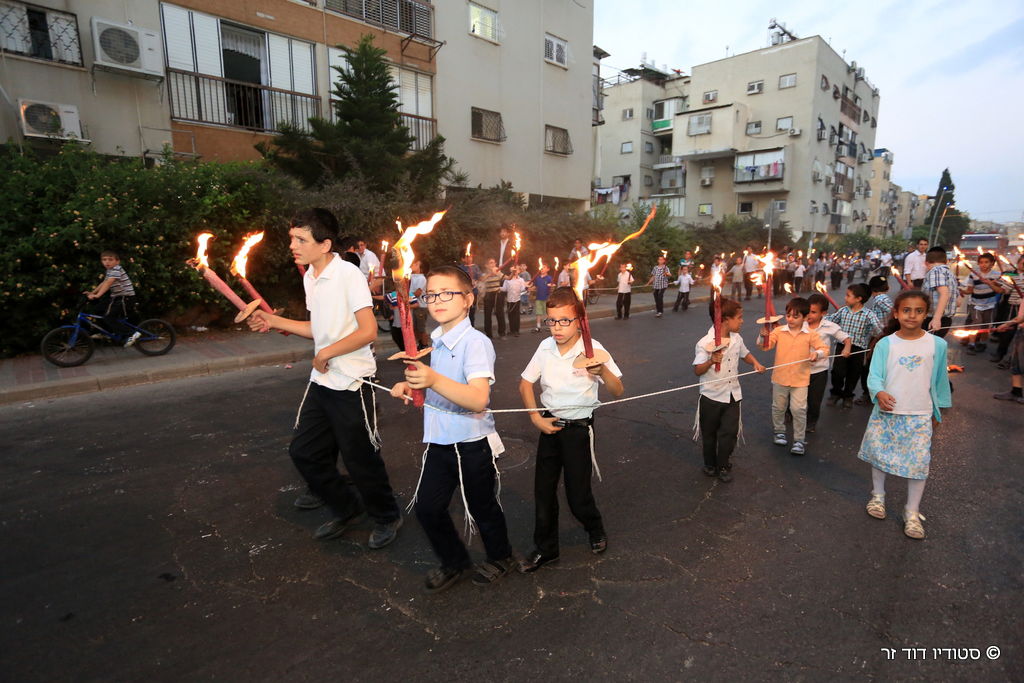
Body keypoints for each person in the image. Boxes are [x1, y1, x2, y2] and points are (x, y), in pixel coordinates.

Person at [246, 208, 402, 548]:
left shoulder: (348, 275)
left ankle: (386, 515)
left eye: (301, 239)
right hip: (323, 382)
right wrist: (273, 321)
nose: (293, 245)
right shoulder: (310, 278)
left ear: (325, 243)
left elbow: (368, 331)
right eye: (292, 238)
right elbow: (315, 329)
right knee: (304, 452)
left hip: (352, 381)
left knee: (360, 459)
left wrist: (327, 352)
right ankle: (346, 508)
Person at [389, 266, 515, 592]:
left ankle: (501, 557)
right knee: (428, 508)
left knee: (482, 507)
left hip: (471, 442)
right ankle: (454, 560)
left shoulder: (476, 343)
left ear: (468, 299)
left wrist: (432, 379)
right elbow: (443, 387)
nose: (438, 299)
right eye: (431, 294)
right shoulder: (438, 339)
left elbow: (477, 398)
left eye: (448, 293)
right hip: (440, 442)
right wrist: (412, 385)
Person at [518, 287, 624, 571]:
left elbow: (618, 389)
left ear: (580, 320)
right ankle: (546, 548)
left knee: (578, 496)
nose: (557, 328)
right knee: (543, 492)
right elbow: (525, 383)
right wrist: (535, 418)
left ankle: (595, 527)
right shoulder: (545, 348)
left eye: (565, 320)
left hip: (578, 430)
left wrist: (603, 371)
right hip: (549, 425)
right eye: (552, 320)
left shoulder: (594, 349)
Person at [858, 290, 952, 539]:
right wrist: (878, 393)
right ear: (897, 313)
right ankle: (877, 497)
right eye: (907, 310)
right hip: (888, 412)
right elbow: (874, 375)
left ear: (926, 313)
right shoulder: (886, 343)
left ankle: (911, 511)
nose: (912, 315)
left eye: (919, 310)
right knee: (880, 456)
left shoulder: (937, 344)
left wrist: (938, 409)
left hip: (920, 414)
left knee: (919, 464)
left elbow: (941, 379)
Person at [693, 297, 766, 481]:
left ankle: (723, 464)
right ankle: (710, 464)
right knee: (709, 434)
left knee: (729, 433)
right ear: (725, 319)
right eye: (739, 317)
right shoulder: (705, 342)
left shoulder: (737, 339)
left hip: (733, 395)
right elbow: (697, 370)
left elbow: (745, 354)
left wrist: (755, 362)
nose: (742, 321)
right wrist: (711, 361)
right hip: (711, 396)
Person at [761, 297, 827, 456]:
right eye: (788, 315)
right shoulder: (778, 331)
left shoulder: (810, 334)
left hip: (801, 379)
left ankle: (799, 439)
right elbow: (766, 347)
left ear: (805, 318)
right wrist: (764, 337)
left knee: (799, 409)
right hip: (780, 378)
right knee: (778, 407)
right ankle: (779, 431)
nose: (790, 319)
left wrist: (816, 354)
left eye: (795, 316)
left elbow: (824, 349)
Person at [826, 283, 883, 408]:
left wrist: (874, 334)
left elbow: (879, 329)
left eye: (848, 296)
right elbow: (831, 320)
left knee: (853, 374)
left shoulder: (868, 314)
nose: (845, 298)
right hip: (842, 346)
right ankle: (835, 393)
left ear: (859, 299)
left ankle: (848, 396)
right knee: (837, 373)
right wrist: (819, 317)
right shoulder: (843, 311)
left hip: (858, 349)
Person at [805, 293, 851, 433]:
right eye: (807, 311)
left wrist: (847, 348)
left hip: (819, 371)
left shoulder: (829, 326)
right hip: (800, 369)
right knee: (796, 398)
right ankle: (791, 414)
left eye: (813, 312)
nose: (809, 315)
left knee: (814, 400)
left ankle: (811, 423)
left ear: (823, 313)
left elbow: (846, 338)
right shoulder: (800, 323)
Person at [85, 249, 140, 346]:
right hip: (117, 297)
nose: (107, 262)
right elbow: (104, 283)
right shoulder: (110, 271)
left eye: (110, 259)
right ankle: (106, 332)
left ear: (117, 261)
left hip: (125, 298)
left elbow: (109, 283)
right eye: (104, 260)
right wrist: (92, 292)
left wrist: (97, 295)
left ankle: (132, 334)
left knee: (109, 317)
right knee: (99, 309)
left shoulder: (116, 269)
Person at [960, 253, 1004, 355]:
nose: (983, 264)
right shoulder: (973, 275)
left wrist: (990, 283)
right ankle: (971, 344)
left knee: (986, 325)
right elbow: (970, 290)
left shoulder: (996, 275)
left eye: (986, 262)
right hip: (976, 304)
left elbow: (1000, 290)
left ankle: (982, 343)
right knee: (977, 323)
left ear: (992, 263)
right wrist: (961, 290)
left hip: (990, 304)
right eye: (981, 262)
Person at [993, 254, 1023, 368]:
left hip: (1023, 308)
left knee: (1020, 336)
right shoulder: (1011, 275)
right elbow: (1003, 290)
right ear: (1018, 263)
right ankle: (1001, 354)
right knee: (1008, 332)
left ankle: (1012, 359)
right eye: (1022, 263)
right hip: (1013, 307)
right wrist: (991, 284)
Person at [921, 247, 958, 337]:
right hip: (944, 318)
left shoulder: (936, 271)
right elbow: (958, 301)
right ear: (946, 261)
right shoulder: (950, 274)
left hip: (934, 319)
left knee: (927, 348)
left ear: (926, 263)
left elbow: (944, 293)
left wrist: (936, 319)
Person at [992, 301, 1024, 403]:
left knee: (1020, 362)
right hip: (1021, 328)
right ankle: (1016, 391)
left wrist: (1006, 324)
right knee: (1016, 362)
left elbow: (1021, 317)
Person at [480, 258, 505, 339]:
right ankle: (488, 334)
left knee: (500, 314)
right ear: (487, 265)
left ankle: (502, 333)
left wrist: (513, 273)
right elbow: (481, 280)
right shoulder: (484, 274)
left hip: (497, 294)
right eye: (491, 263)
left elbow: (508, 278)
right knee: (487, 315)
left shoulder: (498, 272)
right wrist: (491, 273)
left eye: (494, 263)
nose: (493, 264)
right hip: (488, 295)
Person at [459, 252, 482, 328]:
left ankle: (472, 327)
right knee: (464, 312)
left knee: (472, 312)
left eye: (471, 257)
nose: (470, 259)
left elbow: (480, 278)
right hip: (464, 293)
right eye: (467, 257)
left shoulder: (475, 267)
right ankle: (464, 328)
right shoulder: (461, 268)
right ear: (463, 259)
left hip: (473, 293)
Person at [501, 269, 527, 337]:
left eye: (516, 270)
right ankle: (511, 330)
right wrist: (497, 288)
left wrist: (526, 287)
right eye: (513, 270)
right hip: (509, 300)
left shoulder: (521, 280)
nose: (515, 271)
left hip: (517, 300)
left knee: (516, 315)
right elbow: (504, 289)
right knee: (510, 315)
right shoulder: (507, 280)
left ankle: (516, 330)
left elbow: (523, 289)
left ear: (518, 271)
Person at [410, 259, 429, 348]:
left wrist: (406, 297)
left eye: (416, 264)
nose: (413, 264)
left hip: (421, 306)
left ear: (420, 268)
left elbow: (417, 293)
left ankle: (425, 345)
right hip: (413, 306)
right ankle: (420, 344)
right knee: (415, 328)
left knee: (421, 328)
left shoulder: (422, 278)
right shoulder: (410, 276)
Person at [531, 264, 553, 332]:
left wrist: (551, 286)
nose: (542, 269)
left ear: (548, 269)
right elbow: (535, 287)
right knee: (538, 312)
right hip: (538, 298)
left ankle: (549, 326)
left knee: (547, 313)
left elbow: (552, 287)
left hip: (546, 298)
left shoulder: (549, 278)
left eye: (544, 267)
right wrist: (530, 288)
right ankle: (538, 326)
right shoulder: (538, 278)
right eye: (541, 267)